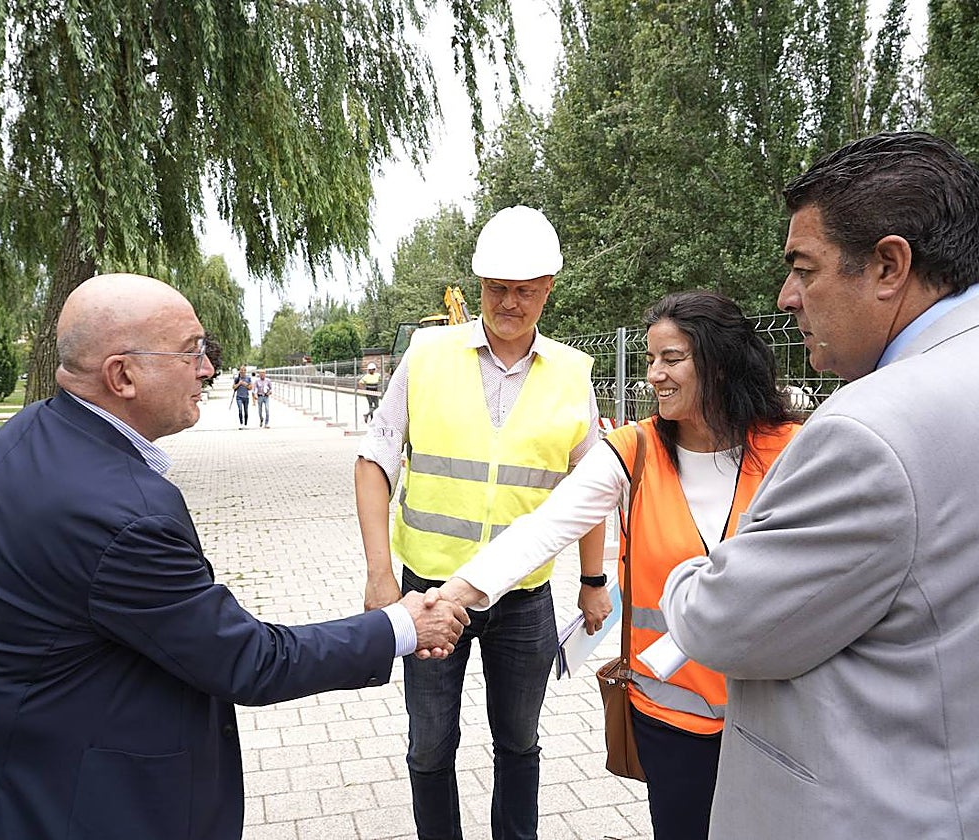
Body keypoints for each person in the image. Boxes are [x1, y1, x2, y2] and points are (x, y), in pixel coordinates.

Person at [0, 274, 469, 840]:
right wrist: (400, 625)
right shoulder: (119, 513)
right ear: (123, 376)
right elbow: (249, 660)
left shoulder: (27, 433)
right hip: (49, 800)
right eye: (191, 352)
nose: (209, 369)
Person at [658, 132, 979, 838]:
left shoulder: (870, 430)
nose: (788, 296)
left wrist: (686, 574)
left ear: (889, 265)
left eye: (804, 268)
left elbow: (725, 619)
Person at [430, 291, 801, 840]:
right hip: (674, 719)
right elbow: (544, 529)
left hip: (776, 714)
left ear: (719, 361)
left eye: (671, 359)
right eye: (650, 360)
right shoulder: (634, 451)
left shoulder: (791, 449)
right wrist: (451, 596)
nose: (654, 375)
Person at [355, 205, 606, 840]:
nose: (510, 304)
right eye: (497, 289)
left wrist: (594, 579)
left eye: (525, 290)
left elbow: (592, 485)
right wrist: (379, 576)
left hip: (524, 599)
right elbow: (374, 460)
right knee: (430, 744)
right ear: (480, 284)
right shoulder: (428, 353)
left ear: (548, 288)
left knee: (520, 741)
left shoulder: (573, 373)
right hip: (430, 592)